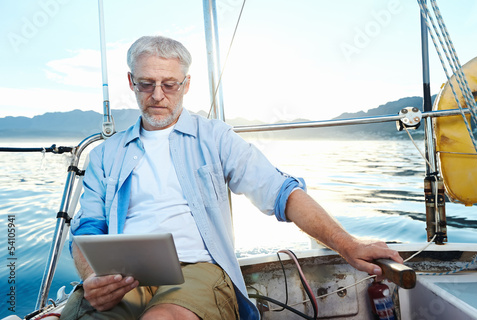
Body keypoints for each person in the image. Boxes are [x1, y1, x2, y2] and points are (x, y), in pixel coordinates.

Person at [60, 35, 403, 320]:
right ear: (131, 82)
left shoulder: (216, 138)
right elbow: (87, 228)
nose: (159, 95)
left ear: (187, 84)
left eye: (170, 84)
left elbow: (281, 192)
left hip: (196, 271)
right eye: (147, 84)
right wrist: (93, 277)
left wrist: (349, 245)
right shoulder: (106, 154)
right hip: (123, 277)